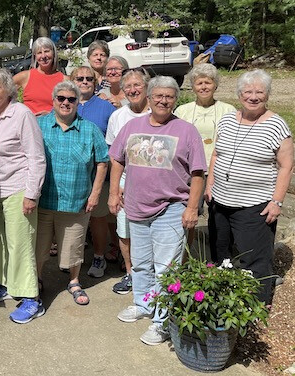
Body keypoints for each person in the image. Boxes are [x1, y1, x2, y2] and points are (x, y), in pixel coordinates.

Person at [109, 76, 207, 345]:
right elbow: (117, 159)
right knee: (140, 264)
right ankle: (143, 304)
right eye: (159, 96)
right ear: (149, 98)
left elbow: (198, 173)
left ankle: (162, 321)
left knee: (166, 269)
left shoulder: (187, 130)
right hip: (136, 207)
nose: (164, 100)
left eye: (170, 96)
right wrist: (114, 192)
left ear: (176, 99)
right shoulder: (132, 126)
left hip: (171, 209)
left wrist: (191, 208)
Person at [206, 69, 294, 306]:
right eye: (248, 91)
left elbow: (286, 167)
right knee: (220, 253)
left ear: (267, 95)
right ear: (239, 94)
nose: (253, 96)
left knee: (254, 260)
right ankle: (223, 299)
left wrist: (276, 202)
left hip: (255, 205)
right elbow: (216, 154)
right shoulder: (227, 119)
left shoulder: (276, 125)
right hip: (220, 202)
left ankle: (256, 306)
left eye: (259, 92)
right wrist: (210, 184)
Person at [0, 67, 46, 324]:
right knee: (0, 243)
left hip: (18, 189)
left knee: (21, 245)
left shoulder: (21, 114)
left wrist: (32, 193)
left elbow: (36, 156)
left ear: (9, 90)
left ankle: (31, 297)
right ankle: (5, 283)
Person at [35, 81, 109, 306]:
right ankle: (36, 281)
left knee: (74, 245)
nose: (66, 103)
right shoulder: (38, 125)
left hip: (76, 200)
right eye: (61, 98)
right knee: (39, 245)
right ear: (54, 100)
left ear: (78, 102)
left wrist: (95, 194)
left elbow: (102, 161)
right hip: (43, 199)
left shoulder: (90, 129)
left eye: (71, 99)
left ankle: (74, 281)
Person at [106, 68, 151, 295]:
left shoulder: (158, 111)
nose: (133, 90)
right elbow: (113, 156)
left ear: (146, 87)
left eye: (137, 85)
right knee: (125, 233)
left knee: (152, 233)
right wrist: (116, 189)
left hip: (154, 187)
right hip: (126, 184)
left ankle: (151, 276)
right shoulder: (118, 117)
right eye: (128, 87)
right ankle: (131, 273)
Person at [71, 66, 117, 279]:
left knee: (98, 218)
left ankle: (98, 255)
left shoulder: (106, 108)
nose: (85, 81)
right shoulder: (65, 103)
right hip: (72, 175)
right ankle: (71, 258)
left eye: (89, 78)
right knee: (71, 219)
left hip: (99, 174)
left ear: (96, 82)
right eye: (79, 78)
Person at [174, 63, 236, 221]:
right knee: (191, 210)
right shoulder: (182, 111)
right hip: (191, 170)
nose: (203, 87)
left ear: (215, 85)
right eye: (199, 83)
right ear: (193, 87)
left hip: (219, 169)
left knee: (219, 214)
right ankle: (191, 244)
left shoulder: (228, 110)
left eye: (208, 82)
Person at [14, 37, 68, 116]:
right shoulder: (25, 76)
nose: (43, 56)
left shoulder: (64, 80)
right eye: (39, 52)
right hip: (29, 125)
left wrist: (52, 115)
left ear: (53, 53)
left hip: (53, 125)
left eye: (46, 51)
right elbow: (3, 92)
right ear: (35, 55)